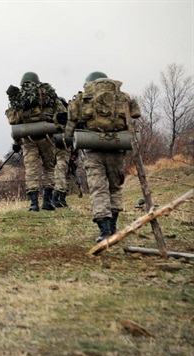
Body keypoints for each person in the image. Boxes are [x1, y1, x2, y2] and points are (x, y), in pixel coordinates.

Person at [65, 71, 141, 243]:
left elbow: (69, 130)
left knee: (98, 189)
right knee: (114, 188)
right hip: (117, 149)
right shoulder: (123, 97)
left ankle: (104, 231)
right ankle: (113, 227)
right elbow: (135, 115)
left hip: (93, 150)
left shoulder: (82, 99)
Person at [6, 72, 66, 211]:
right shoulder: (48, 95)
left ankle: (34, 204)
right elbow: (62, 114)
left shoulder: (20, 98)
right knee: (49, 168)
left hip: (28, 139)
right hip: (47, 137)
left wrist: (16, 143)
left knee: (31, 170)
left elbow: (15, 123)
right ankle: (47, 201)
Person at [52, 97, 71, 208]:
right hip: (63, 144)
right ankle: (59, 197)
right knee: (62, 170)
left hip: (54, 143)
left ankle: (57, 196)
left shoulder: (50, 114)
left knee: (58, 170)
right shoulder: (65, 114)